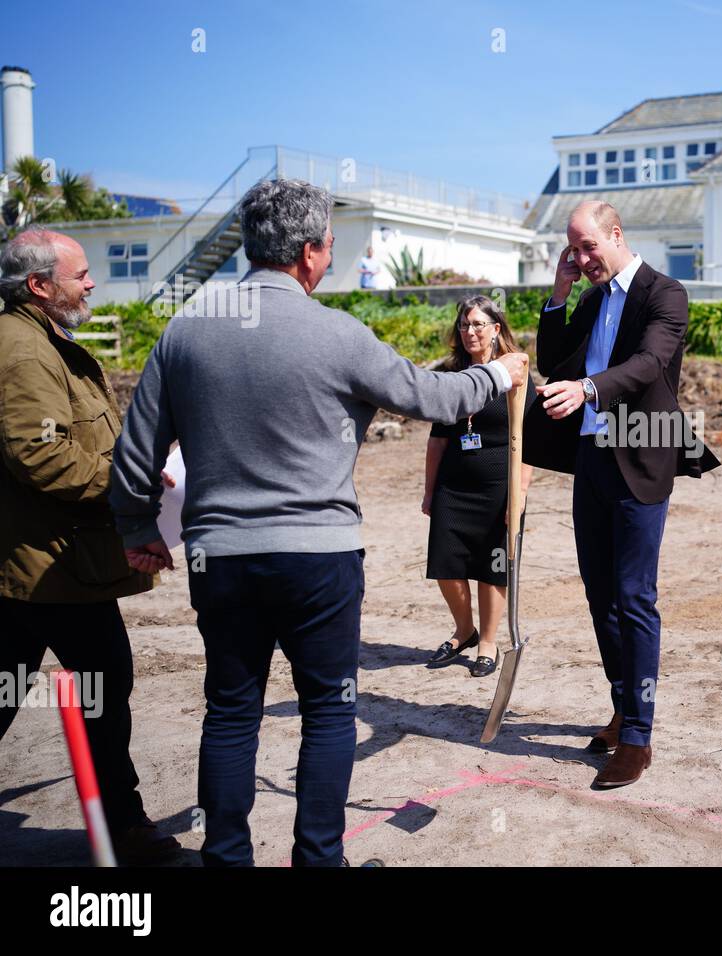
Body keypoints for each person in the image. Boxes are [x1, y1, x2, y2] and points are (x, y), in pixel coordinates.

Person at [108, 179, 529, 866]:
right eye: (329, 246)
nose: (329, 258)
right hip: (318, 558)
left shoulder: (185, 329)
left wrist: (135, 529)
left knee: (232, 711)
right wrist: (499, 377)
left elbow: (134, 453)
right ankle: (318, 858)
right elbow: (428, 396)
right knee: (330, 711)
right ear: (307, 253)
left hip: (222, 557)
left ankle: (227, 857)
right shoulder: (337, 333)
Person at [523, 200, 719, 788]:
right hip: (592, 459)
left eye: (588, 248)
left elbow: (648, 364)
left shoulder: (666, 293)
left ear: (616, 235)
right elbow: (555, 358)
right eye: (572, 251)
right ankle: (622, 705)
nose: (581, 260)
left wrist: (586, 388)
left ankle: (638, 737)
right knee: (600, 594)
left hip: (641, 453)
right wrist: (558, 295)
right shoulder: (588, 296)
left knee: (635, 596)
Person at [0, 227, 180, 864]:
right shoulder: (23, 352)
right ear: (39, 286)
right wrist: (126, 483)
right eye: (79, 275)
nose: (91, 283)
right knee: (104, 683)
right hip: (47, 566)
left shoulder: (41, 339)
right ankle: (126, 827)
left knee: (81, 683)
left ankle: (125, 822)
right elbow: (38, 453)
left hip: (52, 564)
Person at [423, 295, 536, 677]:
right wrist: (428, 491)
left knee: (492, 565)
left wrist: (518, 494)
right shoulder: (452, 377)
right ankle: (464, 631)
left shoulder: (516, 373)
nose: (470, 332)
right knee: (446, 562)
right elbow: (437, 439)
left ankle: (487, 641)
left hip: (499, 486)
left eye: (477, 324)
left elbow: (529, 440)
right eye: (464, 325)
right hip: (453, 486)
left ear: (495, 329)